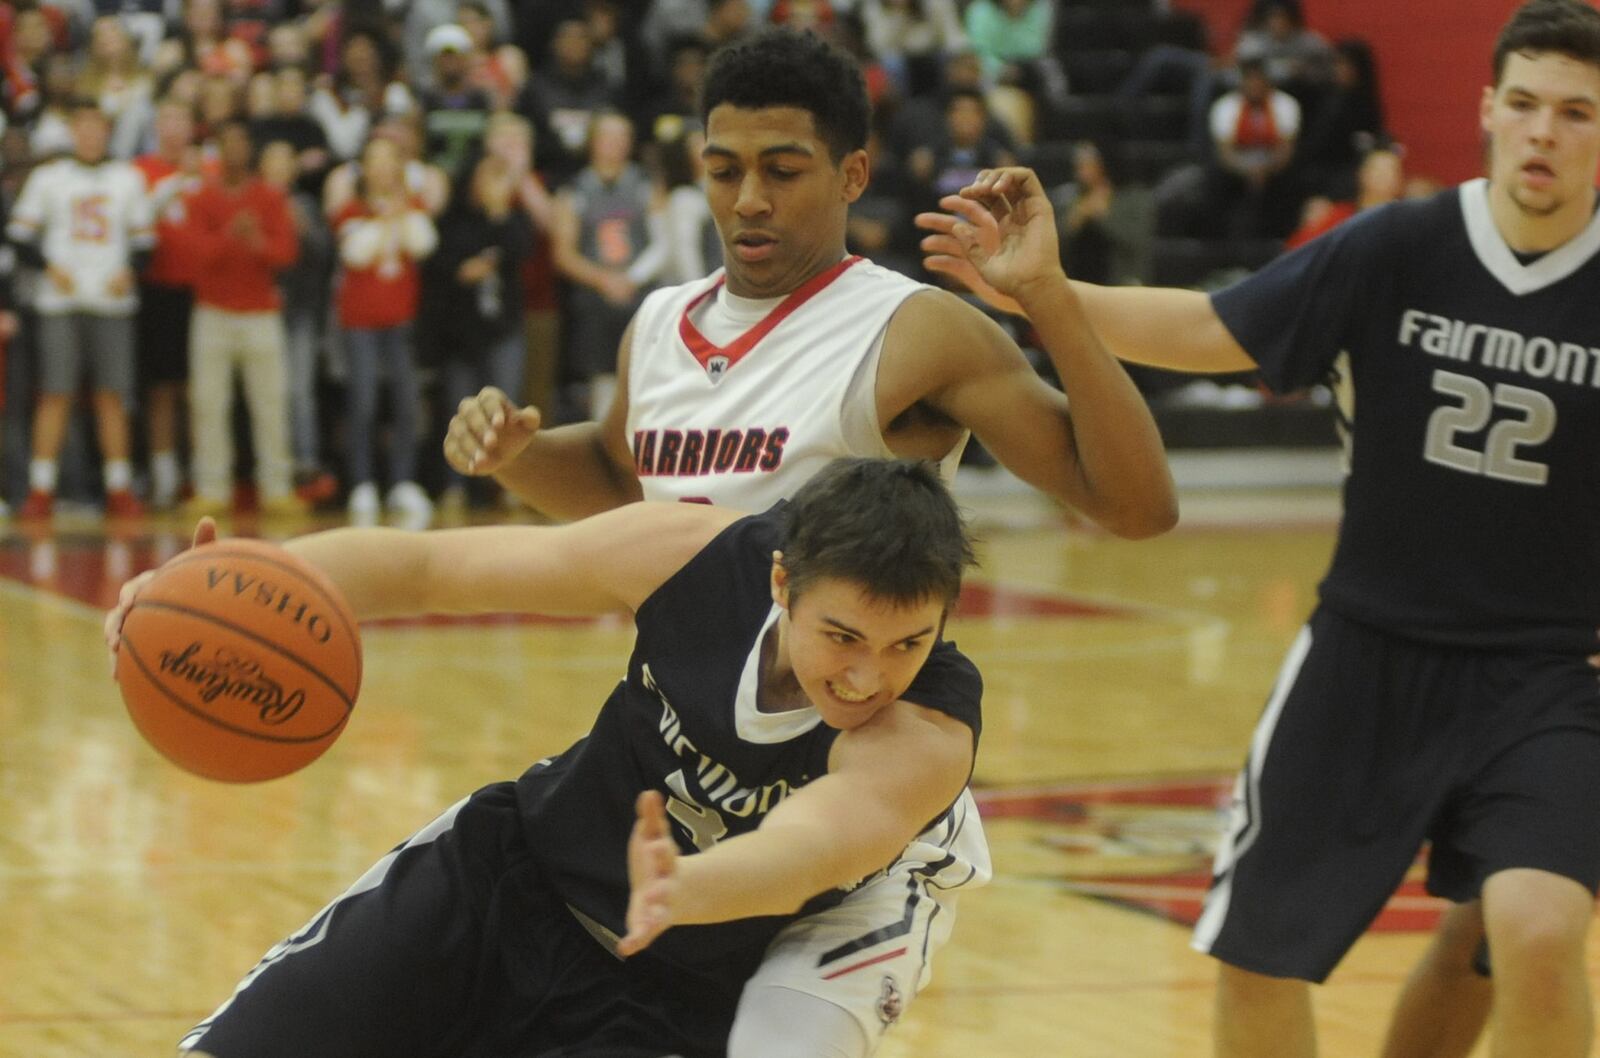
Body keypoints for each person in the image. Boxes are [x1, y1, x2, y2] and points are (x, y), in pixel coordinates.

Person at [445, 27, 1175, 1058]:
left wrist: (1046, 299)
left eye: (782, 171)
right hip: (702, 792)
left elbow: (1135, 504)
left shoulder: (913, 329)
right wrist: (517, 456)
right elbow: (619, 479)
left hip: (864, 813)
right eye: (723, 169)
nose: (748, 198)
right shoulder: (658, 323)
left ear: (851, 173)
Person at [916, 3, 1600, 1055]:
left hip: (1548, 671)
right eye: (1524, 105)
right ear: (1487, 112)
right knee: (1255, 950)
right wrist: (1046, 295)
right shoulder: (1398, 246)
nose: (1544, 131)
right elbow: (1210, 326)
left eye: (1574, 112)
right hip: (1370, 651)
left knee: (1536, 931)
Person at [108, 456, 984, 1058]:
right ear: (782, 582)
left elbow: (819, 844)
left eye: (907, 642)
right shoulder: (689, 557)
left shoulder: (931, 725)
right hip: (507, 881)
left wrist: (690, 888)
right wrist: (219, 586)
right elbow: (429, 572)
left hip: (665, 992)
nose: (869, 676)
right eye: (843, 636)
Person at [10, 101, 153, 520]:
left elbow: (144, 243)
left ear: (106, 132)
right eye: (83, 127)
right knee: (55, 393)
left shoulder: (127, 178)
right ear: (72, 131)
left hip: (111, 301)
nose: (90, 135)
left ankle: (119, 486)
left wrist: (130, 271)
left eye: (97, 128)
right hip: (61, 300)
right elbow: (21, 235)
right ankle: (40, 488)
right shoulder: (49, 177)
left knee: (113, 396)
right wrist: (50, 267)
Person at [180, 119, 301, 518]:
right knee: (209, 404)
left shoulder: (269, 197)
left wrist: (256, 241)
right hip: (212, 311)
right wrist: (233, 234)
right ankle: (212, 488)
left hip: (260, 313)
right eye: (227, 143)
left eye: (240, 143)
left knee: (270, 403)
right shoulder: (201, 198)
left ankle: (277, 487)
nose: (234, 151)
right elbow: (194, 256)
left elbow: (285, 255)